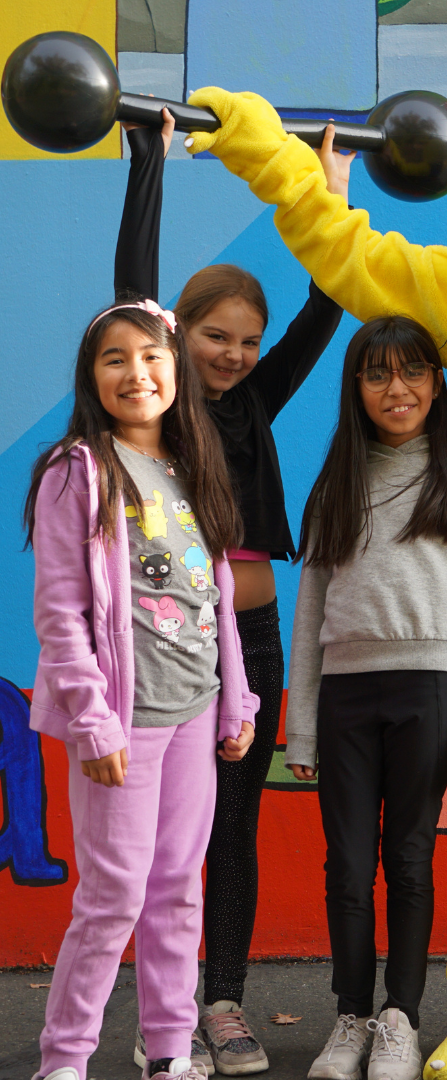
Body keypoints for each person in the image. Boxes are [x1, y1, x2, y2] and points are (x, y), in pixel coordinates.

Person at [116, 109, 348, 1075]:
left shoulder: (257, 397)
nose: (235, 354)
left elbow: (324, 311)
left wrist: (330, 200)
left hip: (251, 647)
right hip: (174, 645)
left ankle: (222, 1006)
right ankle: (160, 1022)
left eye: (247, 341)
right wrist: (148, 165)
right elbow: (131, 290)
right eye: (216, 336)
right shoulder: (159, 399)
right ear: (180, 334)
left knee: (235, 835)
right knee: (169, 842)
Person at [25, 299, 259, 1080]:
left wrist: (238, 701)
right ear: (93, 378)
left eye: (152, 355)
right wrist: (93, 725)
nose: (137, 372)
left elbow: (215, 598)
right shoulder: (78, 471)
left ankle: (168, 1054)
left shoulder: (193, 466)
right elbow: (61, 613)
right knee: (114, 896)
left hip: (195, 716)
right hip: (124, 725)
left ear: (176, 369)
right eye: (114, 358)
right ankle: (64, 1059)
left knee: (176, 894)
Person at [284, 316, 447, 1080]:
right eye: (377, 375)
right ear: (356, 389)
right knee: (346, 865)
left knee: (408, 858)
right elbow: (309, 610)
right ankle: (351, 1014)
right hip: (345, 694)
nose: (396, 389)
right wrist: (301, 727)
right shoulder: (335, 482)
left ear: (435, 386)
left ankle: (401, 1018)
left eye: (412, 372)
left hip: (432, 690)